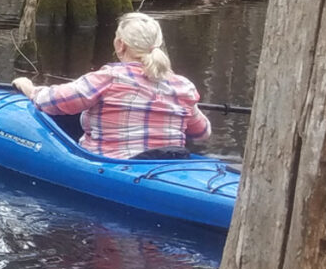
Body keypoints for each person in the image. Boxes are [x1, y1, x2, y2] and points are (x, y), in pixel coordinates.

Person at [12, 12, 210, 160]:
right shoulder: (183, 86)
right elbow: (202, 132)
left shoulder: (109, 77)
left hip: (113, 163)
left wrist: (30, 88)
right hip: (169, 165)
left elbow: (52, 102)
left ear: (120, 44)